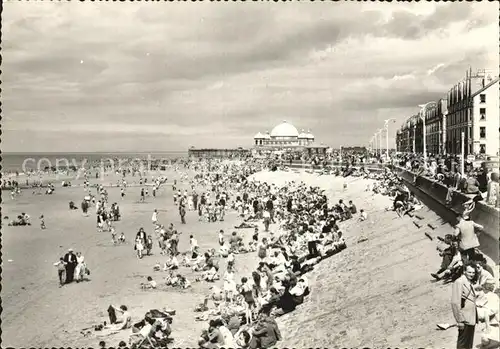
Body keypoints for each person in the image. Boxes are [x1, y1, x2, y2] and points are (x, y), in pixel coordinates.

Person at [451, 263, 478, 349]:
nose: (472, 274)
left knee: (469, 343)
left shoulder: (468, 282)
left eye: (473, 273)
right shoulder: (459, 282)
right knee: (463, 343)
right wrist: (460, 320)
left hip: (471, 317)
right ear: (464, 271)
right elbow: (455, 302)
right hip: (464, 318)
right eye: (469, 272)